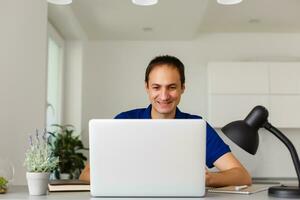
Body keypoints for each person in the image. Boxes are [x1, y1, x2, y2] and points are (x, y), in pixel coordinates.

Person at [79, 55, 252, 187]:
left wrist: (209, 178)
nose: (163, 96)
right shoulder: (123, 121)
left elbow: (243, 176)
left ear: (183, 88)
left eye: (172, 87)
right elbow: (86, 175)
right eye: (156, 87)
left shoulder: (197, 127)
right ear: (147, 87)